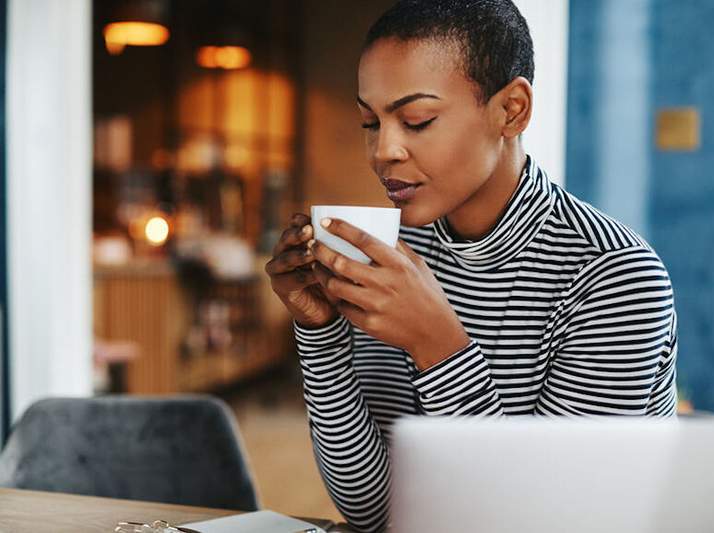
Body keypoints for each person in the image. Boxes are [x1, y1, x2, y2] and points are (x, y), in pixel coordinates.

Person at [265, 1, 677, 531]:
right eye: (371, 122)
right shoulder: (392, 256)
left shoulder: (615, 276)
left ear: (511, 110)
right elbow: (373, 511)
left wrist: (440, 348)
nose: (383, 151)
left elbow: (551, 521)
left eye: (417, 120)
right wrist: (320, 332)